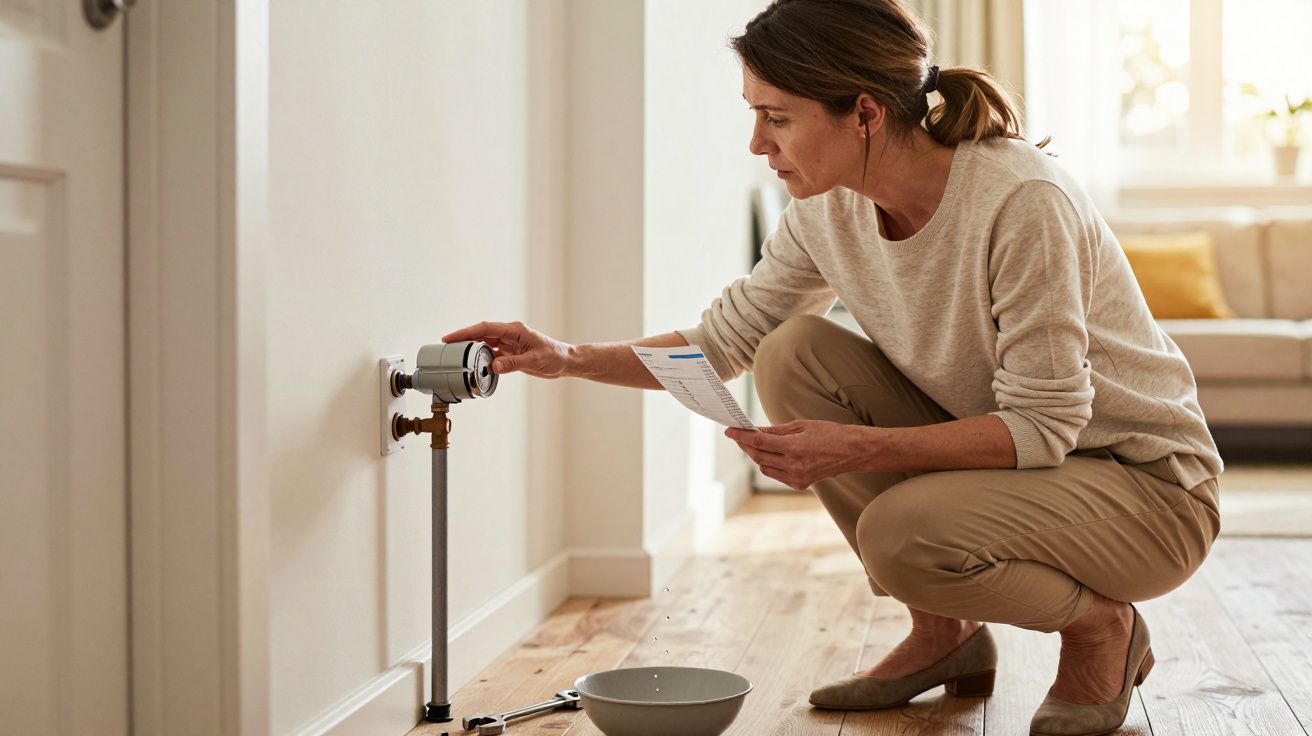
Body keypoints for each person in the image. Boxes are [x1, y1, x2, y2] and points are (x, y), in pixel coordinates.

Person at [441, 1, 1223, 734]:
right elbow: (724, 341)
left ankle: (1101, 628)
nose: (757, 143)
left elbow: (1046, 424)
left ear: (866, 113)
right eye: (755, 115)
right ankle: (944, 631)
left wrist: (857, 450)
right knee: (793, 350)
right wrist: (564, 358)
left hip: (1146, 490)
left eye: (776, 117)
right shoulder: (825, 209)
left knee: (900, 537)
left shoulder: (1020, 202)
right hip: (1025, 467)